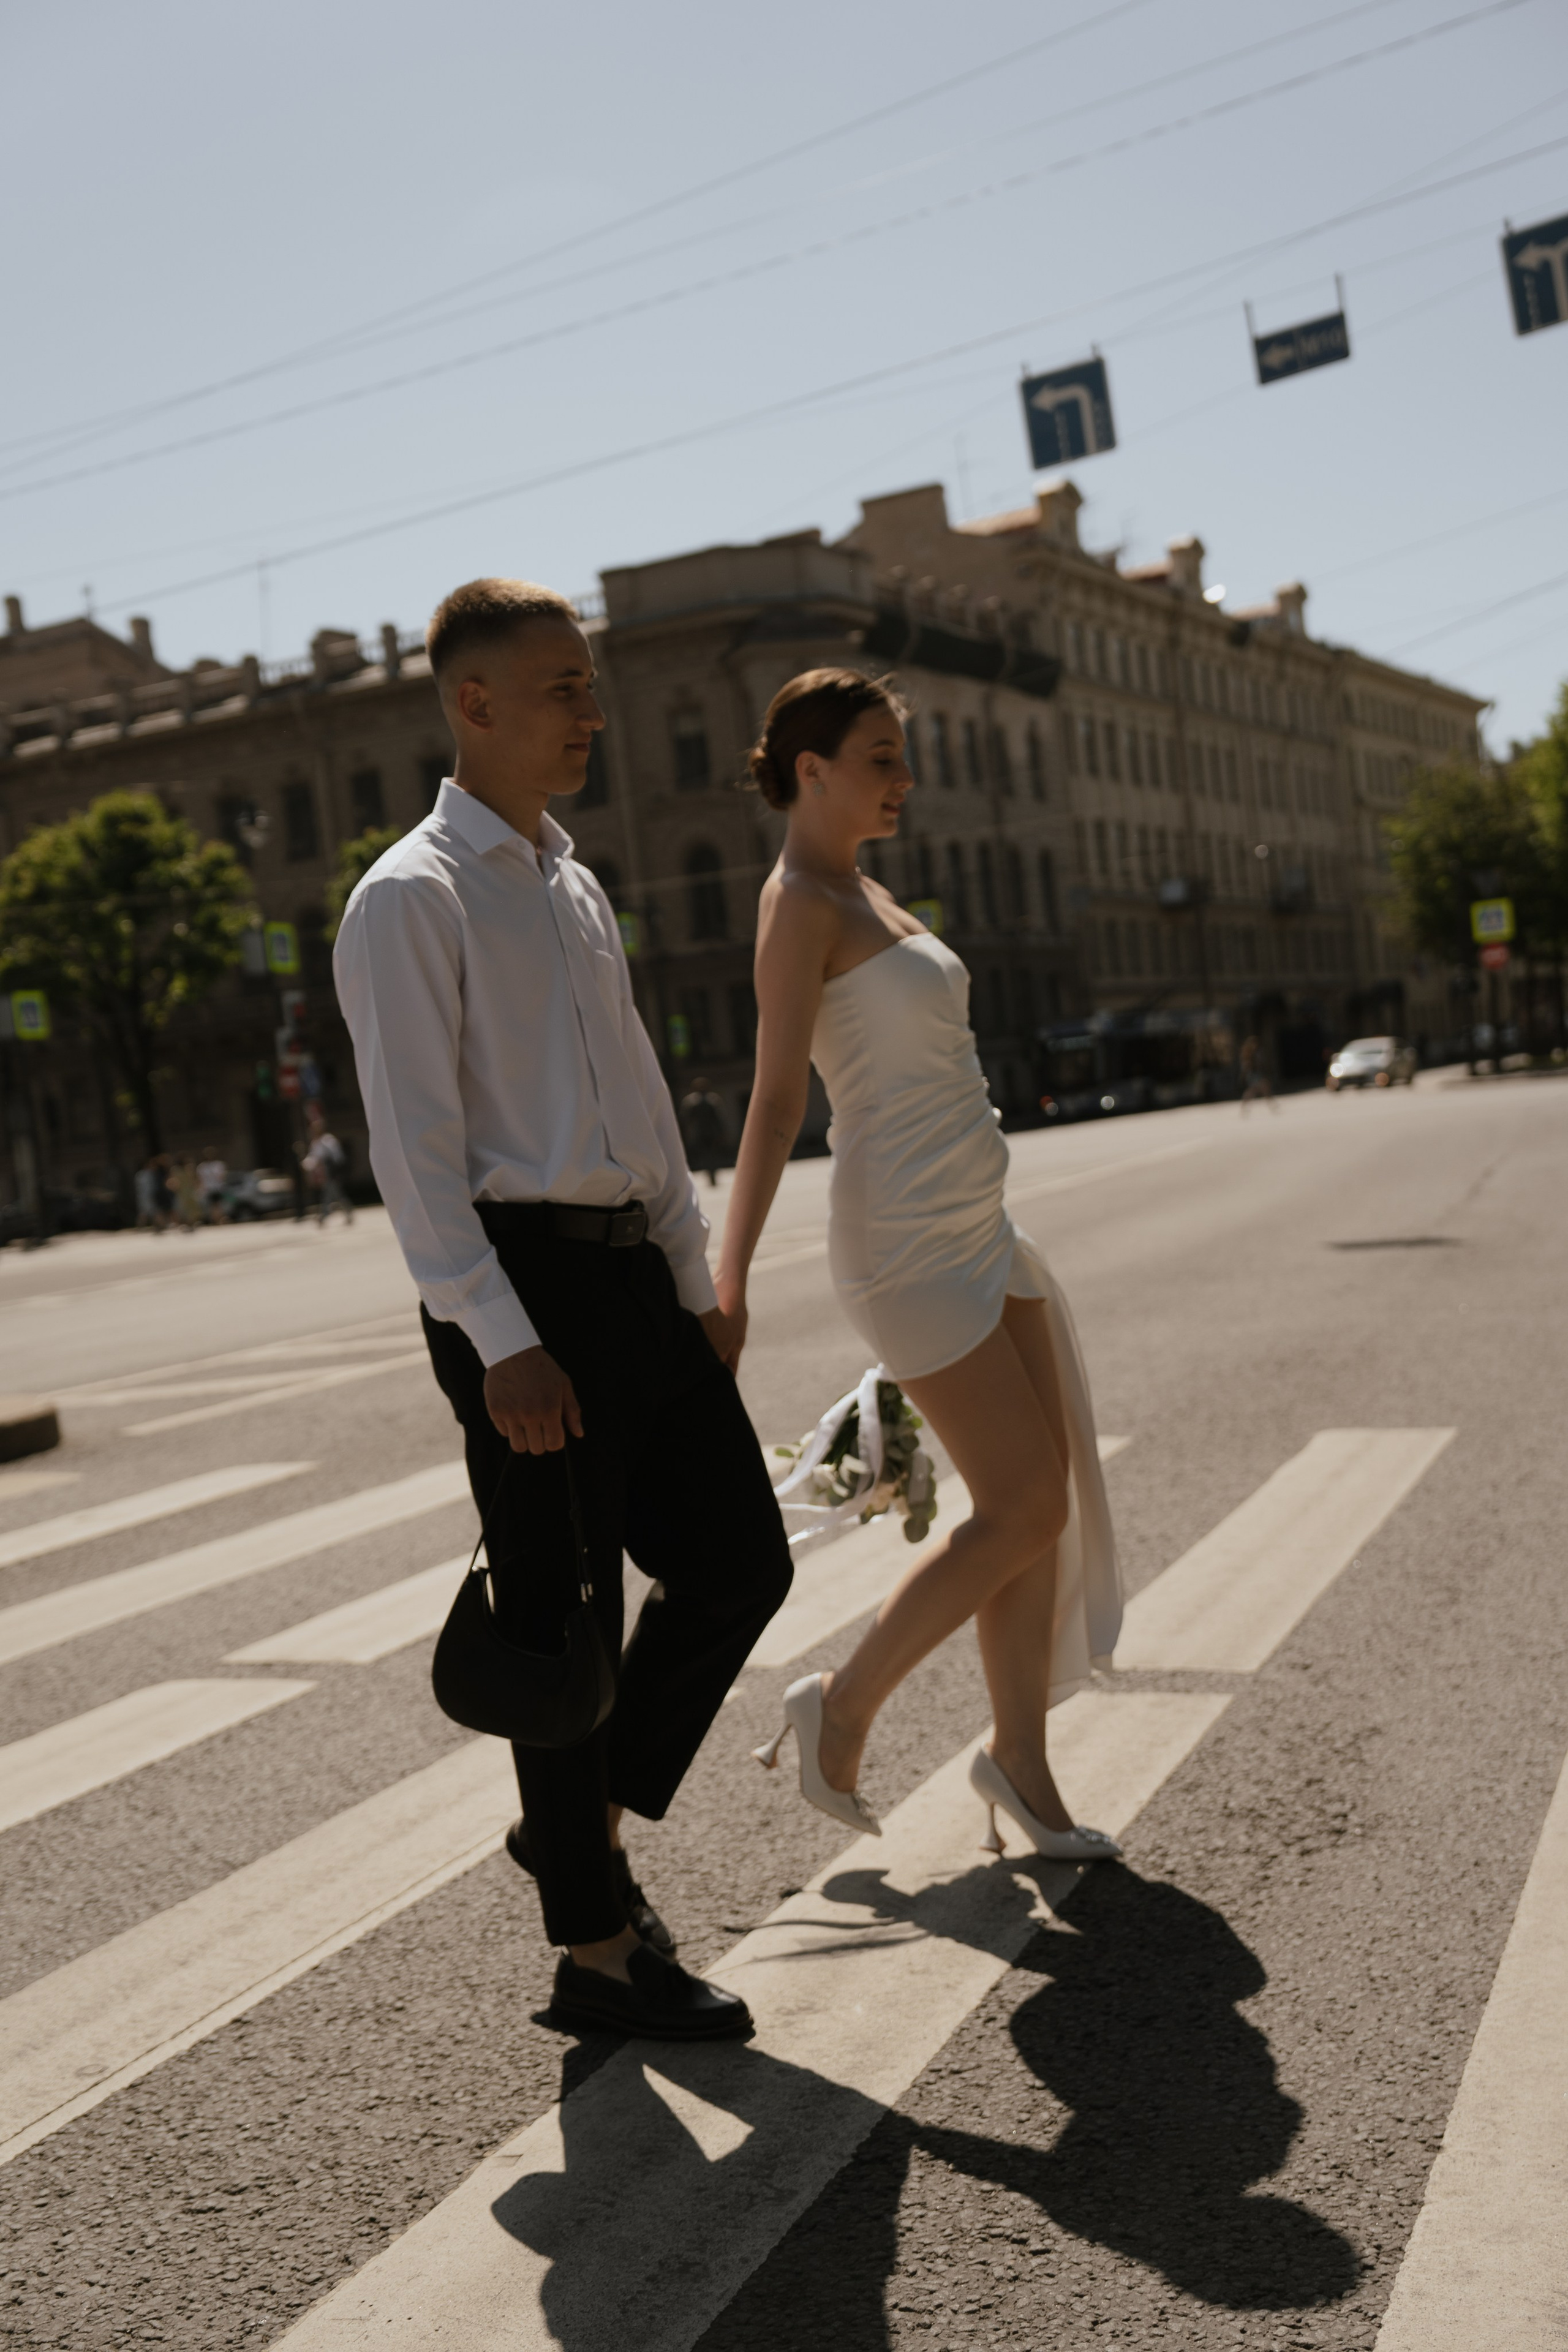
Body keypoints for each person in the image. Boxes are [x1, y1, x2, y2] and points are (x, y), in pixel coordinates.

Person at [334, 577, 791, 2043]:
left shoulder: (570, 880)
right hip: (519, 1286)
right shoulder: (410, 895)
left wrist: (690, 1270)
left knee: (736, 1560)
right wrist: (497, 1337)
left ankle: (575, 1821)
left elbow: (636, 1102)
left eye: (592, 684)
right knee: (559, 1611)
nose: (591, 711)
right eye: (562, 687)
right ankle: (595, 1955)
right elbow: (411, 1152)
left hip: (625, 1275)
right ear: (473, 703)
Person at [717, 669, 1123, 1861]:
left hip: (978, 1229)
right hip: (900, 1245)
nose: (904, 778)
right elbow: (775, 1099)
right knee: (1024, 1501)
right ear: (812, 770)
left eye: (901, 757)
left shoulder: (865, 889)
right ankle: (839, 1707)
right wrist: (728, 1278)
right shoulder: (799, 901)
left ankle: (1020, 1767)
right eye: (881, 757)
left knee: (1028, 1510)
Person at [303, 1112, 353, 1225]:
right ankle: (330, 1215)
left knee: (332, 1194)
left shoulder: (328, 1140)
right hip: (325, 1173)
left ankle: (324, 1216)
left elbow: (337, 1157)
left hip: (332, 1172)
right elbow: (313, 1158)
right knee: (333, 1194)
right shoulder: (316, 1143)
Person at [679, 1076, 726, 1188]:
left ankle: (711, 1173)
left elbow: (685, 1119)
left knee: (709, 1155)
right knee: (709, 1155)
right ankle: (711, 1173)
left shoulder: (694, 1101)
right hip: (706, 1133)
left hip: (702, 1133)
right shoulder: (710, 1099)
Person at [197, 1147, 228, 1223]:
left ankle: (220, 1219)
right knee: (212, 1205)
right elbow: (200, 1179)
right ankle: (215, 1220)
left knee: (218, 1205)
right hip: (208, 1189)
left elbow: (222, 1177)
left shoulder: (218, 1165)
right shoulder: (202, 1167)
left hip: (218, 1188)